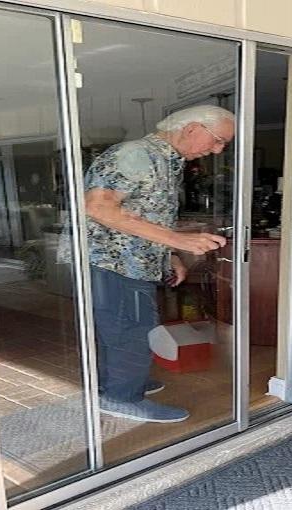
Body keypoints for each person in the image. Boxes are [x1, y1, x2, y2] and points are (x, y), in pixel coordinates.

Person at [85, 105, 235, 423]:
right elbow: (98, 207)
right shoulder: (135, 155)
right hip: (114, 261)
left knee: (123, 325)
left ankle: (115, 382)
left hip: (133, 260)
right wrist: (178, 240)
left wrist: (170, 254)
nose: (218, 150)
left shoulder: (167, 160)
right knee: (132, 327)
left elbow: (151, 213)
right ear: (192, 128)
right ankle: (121, 397)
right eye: (218, 140)